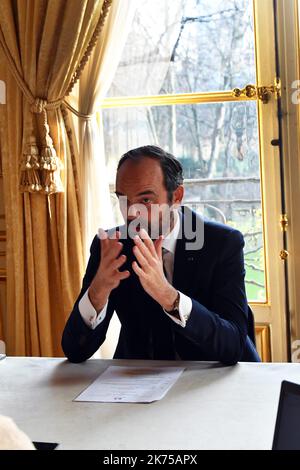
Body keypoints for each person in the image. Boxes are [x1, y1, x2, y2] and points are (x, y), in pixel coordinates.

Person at [62, 145, 260, 365]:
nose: (131, 213)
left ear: (177, 196)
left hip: (212, 380)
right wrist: (97, 293)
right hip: (138, 383)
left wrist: (168, 296)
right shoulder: (110, 246)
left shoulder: (222, 243)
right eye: (123, 199)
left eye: (145, 200)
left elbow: (233, 346)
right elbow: (74, 351)